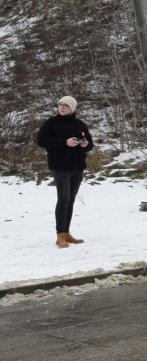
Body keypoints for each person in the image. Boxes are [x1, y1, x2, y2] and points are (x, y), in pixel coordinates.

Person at [36, 96, 93, 248]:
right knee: (63, 200)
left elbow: (90, 144)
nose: (62, 108)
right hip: (60, 166)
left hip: (77, 166)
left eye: (65, 106)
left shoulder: (79, 124)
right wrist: (64, 142)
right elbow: (41, 141)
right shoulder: (51, 123)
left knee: (71, 201)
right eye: (60, 105)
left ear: (72, 108)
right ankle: (60, 235)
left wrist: (85, 145)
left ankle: (67, 232)